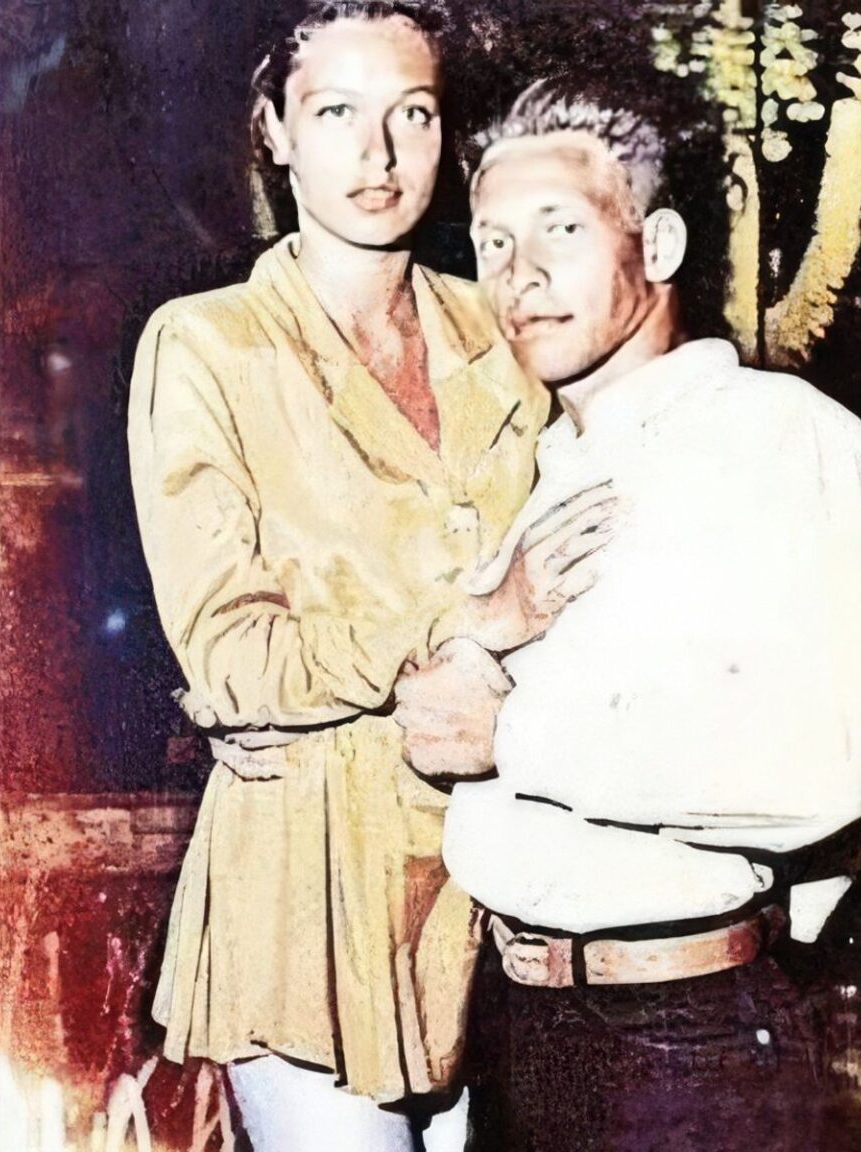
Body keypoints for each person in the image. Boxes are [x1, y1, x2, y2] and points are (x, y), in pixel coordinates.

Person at [392, 76, 861, 1150]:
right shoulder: (549, 469)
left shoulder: (781, 438)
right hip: (523, 1028)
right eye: (492, 243)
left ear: (659, 244)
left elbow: (817, 769)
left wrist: (509, 735)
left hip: (683, 1043)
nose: (520, 275)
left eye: (561, 230)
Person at [126, 10, 611, 1149]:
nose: (378, 154)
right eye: (336, 111)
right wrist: (468, 619)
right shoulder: (209, 347)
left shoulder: (503, 328)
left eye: (414, 114)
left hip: (500, 896)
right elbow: (232, 657)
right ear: (274, 131)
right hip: (308, 901)